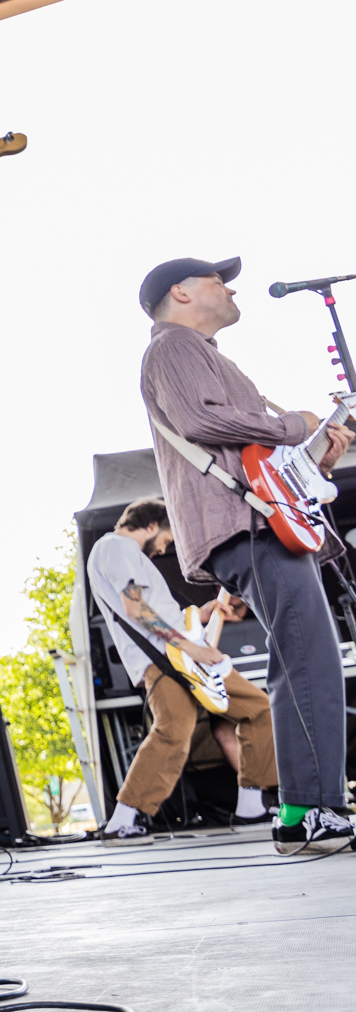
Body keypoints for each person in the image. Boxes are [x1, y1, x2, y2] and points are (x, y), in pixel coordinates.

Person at [141, 256, 355, 855]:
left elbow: (256, 458)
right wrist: (296, 424)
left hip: (258, 519)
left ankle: (304, 809)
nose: (230, 288)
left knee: (306, 656)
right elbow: (199, 421)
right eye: (218, 280)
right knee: (308, 657)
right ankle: (308, 813)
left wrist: (317, 456)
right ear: (181, 292)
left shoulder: (207, 355)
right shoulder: (172, 346)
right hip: (245, 525)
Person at [86, 496, 275, 845]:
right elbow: (136, 610)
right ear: (150, 525)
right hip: (167, 658)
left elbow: (161, 612)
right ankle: (120, 822)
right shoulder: (115, 547)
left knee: (258, 710)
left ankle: (251, 806)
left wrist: (203, 613)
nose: (164, 548)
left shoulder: (127, 555)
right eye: (166, 539)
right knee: (173, 731)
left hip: (179, 654)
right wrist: (192, 647)